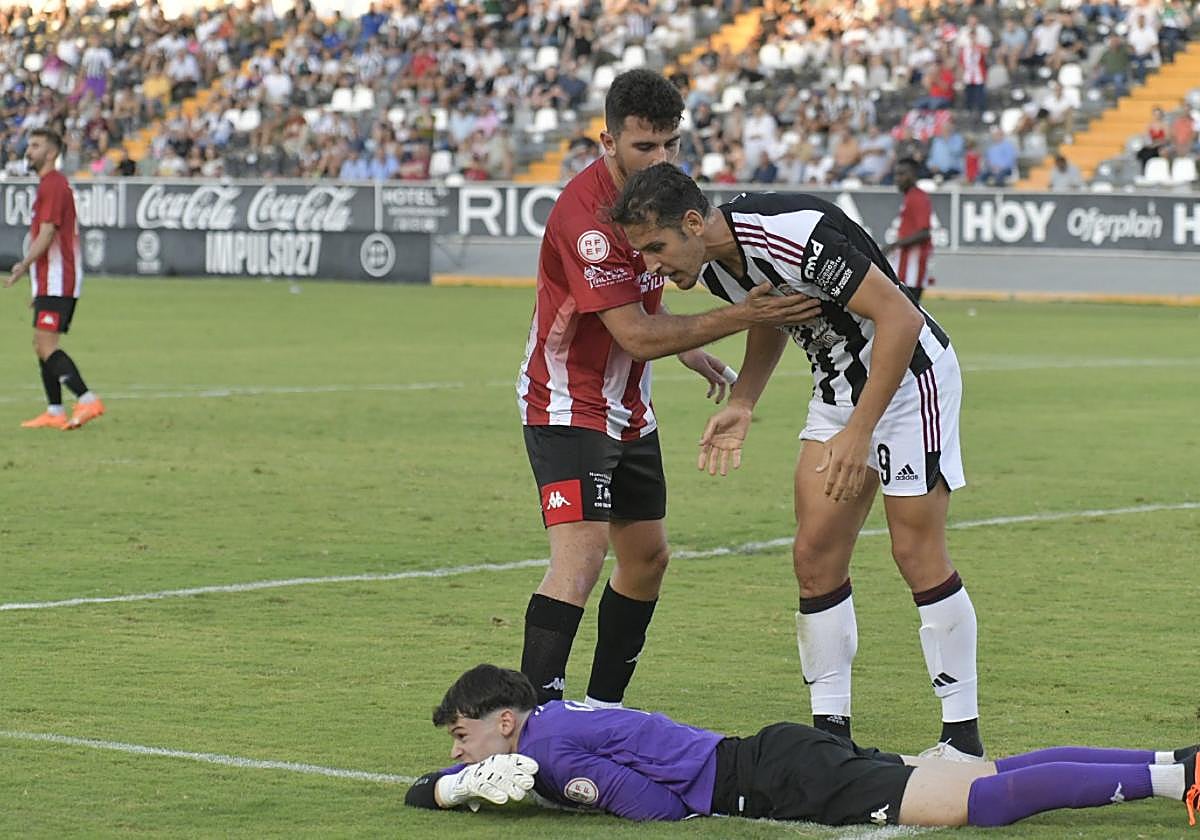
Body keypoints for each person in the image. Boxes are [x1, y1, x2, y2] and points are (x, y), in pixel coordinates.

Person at [607, 162, 984, 757]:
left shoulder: (791, 234)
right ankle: (830, 742)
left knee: (915, 551)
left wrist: (860, 433)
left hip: (910, 381)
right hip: (838, 391)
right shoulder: (712, 265)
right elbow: (770, 318)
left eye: (656, 248)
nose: (651, 265)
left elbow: (900, 317)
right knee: (814, 557)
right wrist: (744, 401)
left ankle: (962, 738)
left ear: (693, 222)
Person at [514, 71, 820, 711]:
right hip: (568, 401)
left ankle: (600, 711)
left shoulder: (656, 200)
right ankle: (528, 723)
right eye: (644, 147)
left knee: (647, 559)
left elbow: (649, 299)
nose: (660, 160)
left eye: (670, 146)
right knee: (581, 558)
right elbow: (633, 332)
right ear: (608, 141)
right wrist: (740, 316)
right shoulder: (585, 218)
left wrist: (691, 346)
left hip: (630, 407)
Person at [405, 664, 1200, 828]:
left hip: (775, 778)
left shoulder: (554, 752)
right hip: (772, 752)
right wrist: (438, 787)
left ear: (504, 722)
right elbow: (453, 774)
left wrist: (556, 793)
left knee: (976, 802)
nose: (463, 753)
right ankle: (1176, 764)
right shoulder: (552, 719)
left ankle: (1177, 784)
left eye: (463, 737)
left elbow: (658, 809)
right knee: (981, 771)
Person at [4, 128, 105, 431]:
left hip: (59, 278)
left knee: (47, 345)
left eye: (35, 146)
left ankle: (87, 399)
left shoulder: (53, 184)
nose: (28, 150)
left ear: (51, 153)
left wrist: (23, 265)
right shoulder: (49, 184)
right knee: (40, 343)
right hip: (50, 279)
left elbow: (48, 233)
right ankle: (55, 410)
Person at [884, 158, 935, 303]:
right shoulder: (910, 197)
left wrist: (894, 245)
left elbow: (924, 232)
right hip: (906, 268)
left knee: (905, 314)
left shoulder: (917, 198)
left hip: (912, 269)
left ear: (913, 175)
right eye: (896, 175)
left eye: (902, 174)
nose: (897, 179)